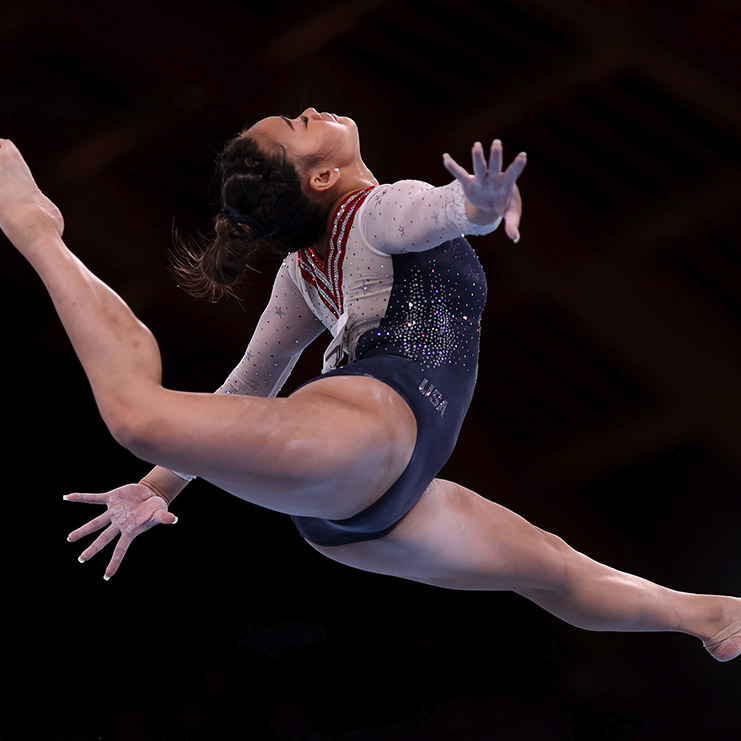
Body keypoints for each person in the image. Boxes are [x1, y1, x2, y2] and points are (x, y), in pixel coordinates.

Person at [1, 108, 740, 663]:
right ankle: (38, 230)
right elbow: (436, 216)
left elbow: (252, 384)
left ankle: (714, 616)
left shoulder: (311, 262)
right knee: (137, 414)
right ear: (320, 178)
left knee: (553, 568)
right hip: (366, 437)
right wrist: (476, 207)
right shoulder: (376, 209)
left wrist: (160, 489)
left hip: (365, 501)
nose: (310, 111)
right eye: (297, 126)